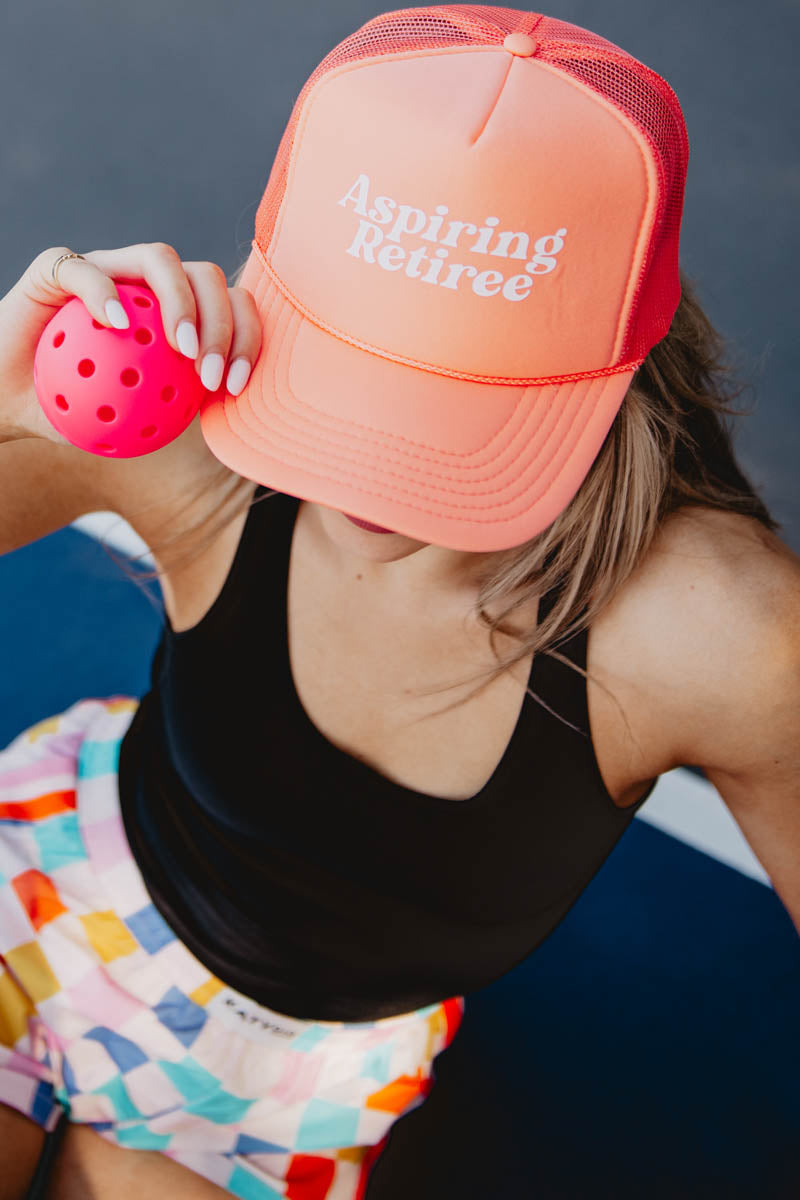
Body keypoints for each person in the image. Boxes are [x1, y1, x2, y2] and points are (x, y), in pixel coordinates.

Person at [1, 7, 798, 1199]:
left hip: (296, 1079)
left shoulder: (710, 633)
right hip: (49, 882)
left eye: (441, 405)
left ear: (612, 370)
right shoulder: (192, 435)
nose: (358, 475)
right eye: (345, 372)